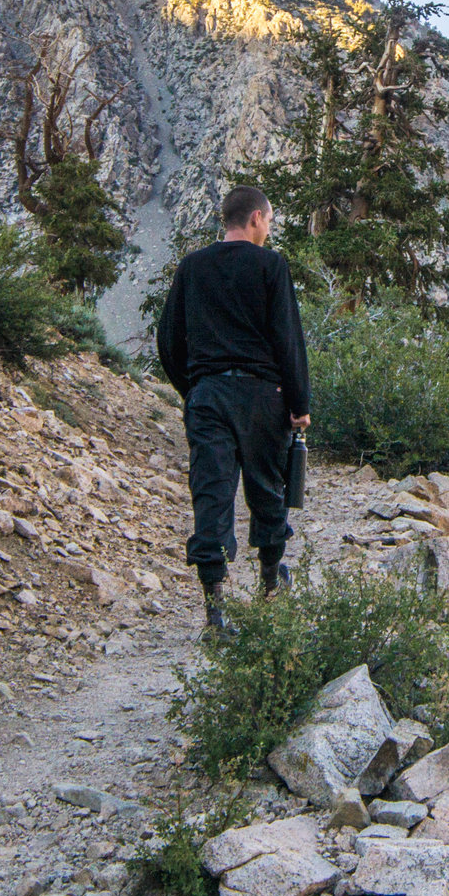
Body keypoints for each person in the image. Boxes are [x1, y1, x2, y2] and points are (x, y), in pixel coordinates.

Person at [155, 184, 310, 634]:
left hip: (208, 398)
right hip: (263, 397)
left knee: (212, 497)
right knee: (268, 492)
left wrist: (196, 389)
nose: (269, 229)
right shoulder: (271, 265)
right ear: (257, 218)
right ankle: (269, 589)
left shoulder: (192, 267)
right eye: (270, 221)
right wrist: (299, 404)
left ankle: (215, 611)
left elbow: (168, 341)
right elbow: (288, 341)